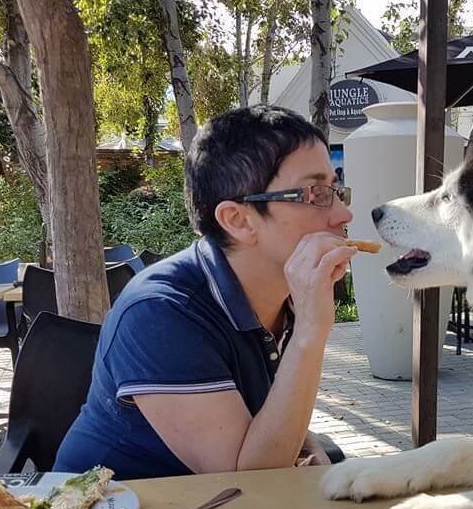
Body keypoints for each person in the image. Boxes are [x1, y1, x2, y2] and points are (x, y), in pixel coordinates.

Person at [54, 106, 357, 479]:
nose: (344, 214)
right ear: (239, 220)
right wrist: (311, 333)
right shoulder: (161, 312)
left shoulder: (287, 293)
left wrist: (307, 446)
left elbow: (264, 422)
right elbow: (249, 477)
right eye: (316, 193)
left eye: (336, 189)